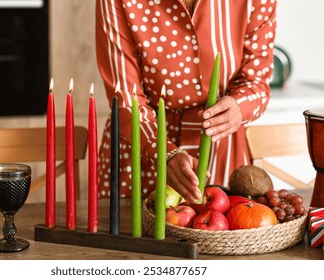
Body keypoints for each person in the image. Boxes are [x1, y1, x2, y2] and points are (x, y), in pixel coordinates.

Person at [95, 0, 277, 204]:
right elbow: (127, 98)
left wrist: (239, 107)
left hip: (221, 152)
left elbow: (257, 82)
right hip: (141, 151)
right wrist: (163, 152)